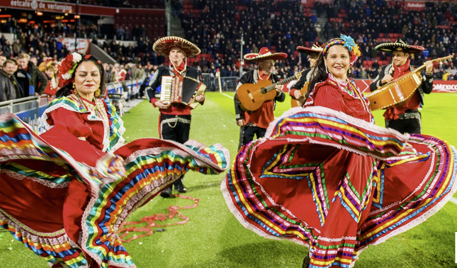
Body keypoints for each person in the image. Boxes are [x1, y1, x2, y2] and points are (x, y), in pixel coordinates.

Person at [221, 35, 457, 268]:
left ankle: (324, 259)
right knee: (333, 218)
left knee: (347, 219)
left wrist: (377, 141)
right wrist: (374, 139)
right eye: (333, 57)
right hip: (336, 166)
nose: (339, 61)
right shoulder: (325, 88)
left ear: (351, 59)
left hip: (362, 165)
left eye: (343, 56)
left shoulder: (355, 88)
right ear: (325, 61)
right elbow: (331, 130)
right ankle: (319, 261)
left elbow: (366, 120)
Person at [0, 52, 228, 268]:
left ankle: (188, 160)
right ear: (72, 80)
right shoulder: (64, 106)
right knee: (87, 240)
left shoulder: (103, 105)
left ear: (101, 80)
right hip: (80, 182)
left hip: (102, 180)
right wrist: (100, 161)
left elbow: (110, 144)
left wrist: (111, 161)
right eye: (83, 74)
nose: (89, 79)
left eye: (94, 75)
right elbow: (62, 137)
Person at [146, 36, 206, 197]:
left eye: (178, 52)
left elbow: (200, 93)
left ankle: (178, 181)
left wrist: (201, 98)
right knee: (167, 151)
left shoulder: (194, 72)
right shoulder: (162, 71)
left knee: (182, 151)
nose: (175, 55)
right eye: (172, 52)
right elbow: (148, 90)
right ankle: (166, 185)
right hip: (167, 116)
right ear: (169, 55)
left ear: (184, 56)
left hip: (186, 116)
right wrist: (156, 102)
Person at [369, 38, 434, 134]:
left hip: (413, 118)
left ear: (406, 56)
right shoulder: (386, 70)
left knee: (414, 147)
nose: (395, 58)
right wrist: (382, 81)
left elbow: (427, 90)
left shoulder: (415, 71)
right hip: (393, 119)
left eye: (398, 55)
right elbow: (372, 87)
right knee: (392, 149)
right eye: (394, 55)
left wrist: (429, 74)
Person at [234, 47, 286, 149]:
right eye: (269, 62)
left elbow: (282, 98)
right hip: (249, 120)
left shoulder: (275, 79)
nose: (272, 65)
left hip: (267, 122)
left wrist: (279, 93)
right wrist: (239, 116)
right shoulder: (248, 77)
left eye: (273, 62)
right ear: (261, 63)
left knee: (263, 150)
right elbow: (237, 96)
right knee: (244, 149)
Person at [289, 42, 323, 106]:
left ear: (320, 59)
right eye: (309, 57)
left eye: (312, 57)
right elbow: (293, 88)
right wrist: (295, 92)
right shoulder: (305, 73)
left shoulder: (327, 74)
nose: (309, 59)